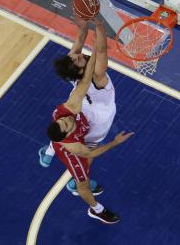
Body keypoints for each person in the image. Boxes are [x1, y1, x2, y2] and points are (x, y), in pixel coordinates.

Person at [47, 39, 134, 224]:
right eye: (66, 124)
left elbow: (85, 80)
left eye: (63, 120)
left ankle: (48, 150)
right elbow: (91, 151)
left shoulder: (66, 109)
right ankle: (96, 209)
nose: (68, 119)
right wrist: (115, 143)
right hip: (72, 152)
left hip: (76, 136)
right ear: (68, 134)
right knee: (83, 183)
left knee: (89, 155)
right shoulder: (73, 147)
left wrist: (95, 49)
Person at [39, 16, 118, 195]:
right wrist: (99, 25)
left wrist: (82, 27)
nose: (79, 55)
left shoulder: (72, 67)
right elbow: (102, 50)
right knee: (86, 152)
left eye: (76, 56)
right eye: (78, 60)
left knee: (62, 128)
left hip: (78, 107)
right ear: (81, 70)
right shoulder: (98, 76)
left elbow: (79, 43)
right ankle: (77, 184)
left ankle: (48, 153)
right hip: (97, 121)